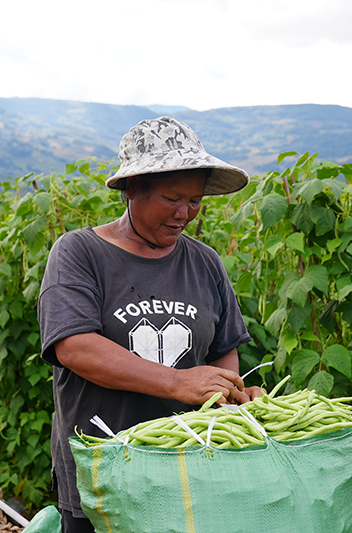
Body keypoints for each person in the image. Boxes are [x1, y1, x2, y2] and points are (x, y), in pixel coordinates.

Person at [38, 116, 263, 533]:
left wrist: (224, 393)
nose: (185, 213)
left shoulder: (204, 261)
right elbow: (75, 347)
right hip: (105, 476)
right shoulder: (79, 253)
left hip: (190, 468)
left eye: (195, 200)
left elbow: (223, 350)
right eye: (172, 198)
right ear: (133, 189)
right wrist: (178, 384)